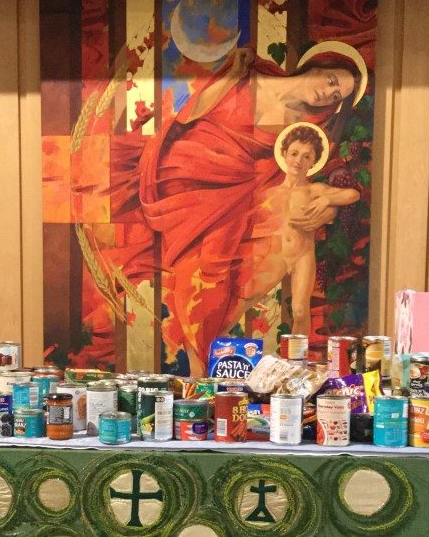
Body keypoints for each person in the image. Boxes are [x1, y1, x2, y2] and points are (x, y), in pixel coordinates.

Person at [104, 42, 368, 373]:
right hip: (186, 171)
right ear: (318, 64)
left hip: (233, 195)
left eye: (336, 96)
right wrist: (232, 75)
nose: (327, 94)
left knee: (211, 275)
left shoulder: (305, 127)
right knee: (203, 272)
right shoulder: (250, 76)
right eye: (331, 81)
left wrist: (330, 202)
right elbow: (192, 112)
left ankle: (202, 371)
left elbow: (332, 183)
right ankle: (201, 369)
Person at [234, 123, 360, 338]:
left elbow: (352, 194)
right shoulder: (268, 193)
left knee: (300, 310)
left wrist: (327, 200)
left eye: (306, 156)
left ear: (313, 162)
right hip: (274, 257)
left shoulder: (313, 190)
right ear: (284, 154)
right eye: (294, 154)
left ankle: (298, 356)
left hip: (302, 255)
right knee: (244, 302)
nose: (298, 161)